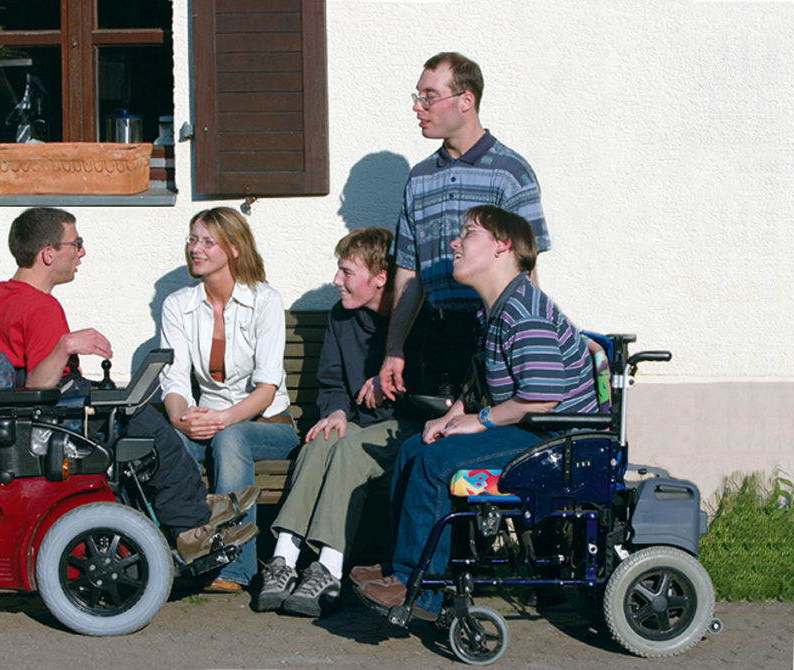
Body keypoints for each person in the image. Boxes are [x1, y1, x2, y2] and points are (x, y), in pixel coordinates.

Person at [0, 207, 259, 565]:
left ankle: (194, 506)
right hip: (44, 421)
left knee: (133, 408)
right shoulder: (41, 307)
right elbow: (35, 392)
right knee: (149, 427)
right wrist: (66, 346)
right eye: (76, 243)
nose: (81, 252)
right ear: (48, 254)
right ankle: (189, 528)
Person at [354, 205, 599, 617]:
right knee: (416, 448)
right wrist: (450, 419)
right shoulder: (497, 309)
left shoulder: (526, 312)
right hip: (532, 430)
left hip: (558, 443)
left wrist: (479, 422)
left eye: (468, 234)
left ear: (502, 247)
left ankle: (420, 588)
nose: (455, 242)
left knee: (435, 463)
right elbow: (484, 383)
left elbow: (542, 398)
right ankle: (402, 566)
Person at [255, 228, 422, 618]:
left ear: (380, 277)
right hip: (359, 422)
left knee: (349, 448)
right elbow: (330, 381)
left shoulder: (418, 318)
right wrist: (336, 411)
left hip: (408, 425)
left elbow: (433, 391)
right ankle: (283, 562)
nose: (336, 281)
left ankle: (328, 570)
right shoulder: (342, 318)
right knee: (321, 440)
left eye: (346, 272)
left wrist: (389, 383)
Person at [380, 52, 552, 409]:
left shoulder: (510, 172)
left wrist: (530, 344)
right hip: (436, 339)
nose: (418, 107)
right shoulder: (420, 178)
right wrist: (394, 349)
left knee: (486, 444)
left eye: (428, 96)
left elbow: (527, 271)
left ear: (466, 100)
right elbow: (409, 274)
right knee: (433, 438)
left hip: (493, 336)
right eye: (417, 97)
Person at [160, 207, 299, 592]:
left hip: (267, 425)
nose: (195, 249)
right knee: (166, 442)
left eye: (207, 241)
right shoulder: (178, 306)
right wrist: (180, 419)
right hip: (208, 421)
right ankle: (182, 554)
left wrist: (220, 420)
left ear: (234, 249)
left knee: (230, 437)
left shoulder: (265, 300)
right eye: (192, 239)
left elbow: (267, 389)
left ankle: (236, 568)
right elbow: (174, 380)